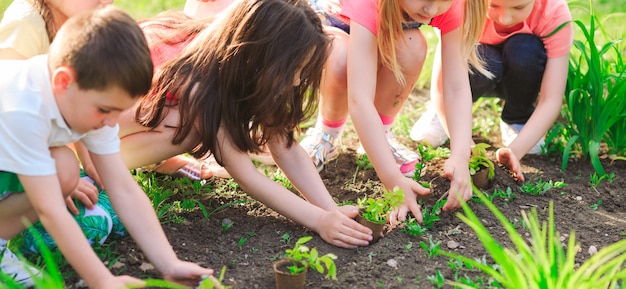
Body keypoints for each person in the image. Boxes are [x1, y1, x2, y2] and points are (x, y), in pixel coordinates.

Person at [0, 6, 213, 289]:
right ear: (63, 82)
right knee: (59, 175)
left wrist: (168, 263)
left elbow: (123, 188)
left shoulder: (88, 102)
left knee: (65, 169)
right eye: (105, 110)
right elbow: (51, 211)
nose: (112, 123)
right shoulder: (23, 110)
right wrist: (104, 283)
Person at [114, 0, 373, 249]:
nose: (296, 82)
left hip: (137, 121)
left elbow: (286, 148)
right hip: (100, 134)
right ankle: (120, 165)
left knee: (187, 122)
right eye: (293, 70)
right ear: (259, 56)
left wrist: (329, 209)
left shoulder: (242, 64)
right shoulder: (200, 85)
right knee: (185, 125)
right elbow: (246, 176)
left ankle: (155, 160)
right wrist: (318, 221)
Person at [301, 0, 489, 223]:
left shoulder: (450, 3)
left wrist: (460, 155)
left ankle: (381, 134)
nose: (430, 10)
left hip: (388, 28)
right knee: (341, 57)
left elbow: (456, 87)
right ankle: (326, 133)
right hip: (337, 26)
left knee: (413, 47)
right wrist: (393, 181)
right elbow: (360, 100)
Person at [0, 0, 213, 183]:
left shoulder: (85, 23)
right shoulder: (26, 25)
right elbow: (11, 109)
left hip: (64, 132)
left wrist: (92, 163)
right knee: (64, 167)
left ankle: (142, 161)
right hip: (20, 146)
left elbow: (78, 102)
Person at [410, 0, 573, 182]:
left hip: (521, 76)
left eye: (518, 7)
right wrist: (463, 146)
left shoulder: (553, 13)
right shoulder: (462, 6)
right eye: (493, 5)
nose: (505, 18)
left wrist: (515, 151)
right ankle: (446, 114)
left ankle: (517, 118)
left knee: (526, 50)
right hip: (471, 74)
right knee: (485, 58)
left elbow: (551, 99)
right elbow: (442, 87)